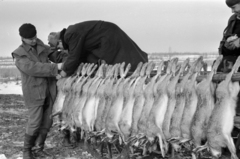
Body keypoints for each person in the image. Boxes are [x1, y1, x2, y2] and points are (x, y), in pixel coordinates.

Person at [12, 23, 68, 159]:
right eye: (30, 38)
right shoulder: (19, 54)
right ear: (22, 38)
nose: (33, 40)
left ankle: (39, 148)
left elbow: (54, 55)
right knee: (35, 122)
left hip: (49, 90)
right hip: (34, 92)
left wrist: (67, 56)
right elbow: (33, 68)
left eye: (34, 36)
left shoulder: (41, 46)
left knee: (47, 121)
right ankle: (27, 151)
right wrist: (56, 67)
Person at [48, 20, 148, 78]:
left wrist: (63, 74)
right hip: (104, 39)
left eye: (58, 47)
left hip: (108, 37)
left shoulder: (70, 35)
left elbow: (74, 56)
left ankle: (138, 72)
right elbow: (80, 56)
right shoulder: (71, 33)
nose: (61, 49)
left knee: (121, 59)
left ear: (59, 41)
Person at [218, 0, 240, 73]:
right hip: (231, 63)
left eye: (234, 7)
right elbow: (224, 44)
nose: (232, 11)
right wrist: (227, 44)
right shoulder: (232, 20)